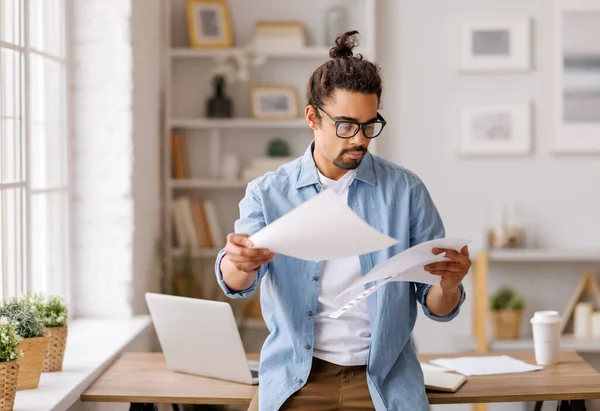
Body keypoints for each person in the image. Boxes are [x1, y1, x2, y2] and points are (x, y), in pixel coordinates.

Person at [214, 31, 471, 411]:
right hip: (298, 379)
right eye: (347, 125)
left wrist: (449, 284)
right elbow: (236, 284)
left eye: (369, 126)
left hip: (383, 379)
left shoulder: (406, 191)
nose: (360, 140)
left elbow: (438, 305)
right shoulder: (268, 192)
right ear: (312, 118)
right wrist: (237, 262)